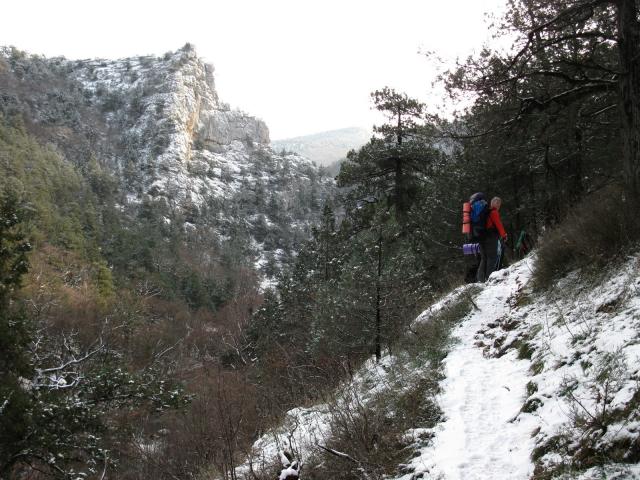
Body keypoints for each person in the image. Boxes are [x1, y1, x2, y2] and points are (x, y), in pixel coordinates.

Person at [477, 196, 507, 283]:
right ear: (493, 203)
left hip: (481, 238)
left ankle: (480, 279)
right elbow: (499, 225)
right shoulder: (493, 212)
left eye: (499, 204)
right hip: (490, 238)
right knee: (492, 257)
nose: (499, 206)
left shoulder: (484, 213)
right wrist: (504, 235)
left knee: (484, 258)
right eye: (498, 203)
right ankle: (489, 278)